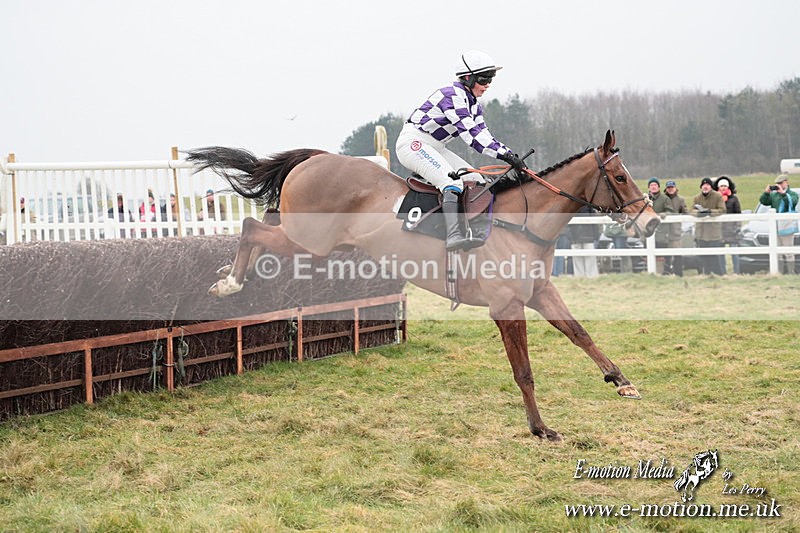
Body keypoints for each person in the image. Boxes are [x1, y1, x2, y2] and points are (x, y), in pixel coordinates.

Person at [396, 50, 527, 251]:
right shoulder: (453, 95)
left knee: (477, 180)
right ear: (467, 78)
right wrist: (506, 155)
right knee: (452, 182)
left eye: (491, 79)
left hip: (436, 146)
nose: (488, 84)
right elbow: (473, 137)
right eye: (483, 79)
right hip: (413, 144)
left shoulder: (474, 105)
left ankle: (475, 230)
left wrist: (510, 154)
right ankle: (453, 235)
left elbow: (484, 135)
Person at [759, 175, 799, 275]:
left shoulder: (793, 194)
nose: (779, 185)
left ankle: (791, 272)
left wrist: (783, 194)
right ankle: (779, 272)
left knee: (788, 251)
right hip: (775, 226)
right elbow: (764, 201)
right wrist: (766, 193)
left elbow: (792, 203)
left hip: (787, 226)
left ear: (786, 182)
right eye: (777, 184)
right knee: (777, 251)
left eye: (781, 183)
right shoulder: (774, 195)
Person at [691, 177, 725, 275]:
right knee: (703, 256)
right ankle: (706, 274)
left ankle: (718, 274)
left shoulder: (718, 196)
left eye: (707, 185)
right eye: (703, 185)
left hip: (713, 232)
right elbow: (691, 210)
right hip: (701, 232)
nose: (705, 187)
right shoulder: (697, 198)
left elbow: (722, 210)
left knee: (714, 255)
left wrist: (710, 212)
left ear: (711, 187)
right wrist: (698, 213)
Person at [654, 180, 688, 276]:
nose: (670, 189)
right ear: (666, 189)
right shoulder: (663, 199)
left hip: (675, 231)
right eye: (668, 188)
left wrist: (678, 217)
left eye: (672, 187)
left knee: (677, 254)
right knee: (666, 255)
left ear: (675, 188)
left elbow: (685, 212)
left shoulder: (680, 200)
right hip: (664, 232)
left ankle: (679, 274)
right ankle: (666, 273)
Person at [715, 176, 741, 274]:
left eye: (725, 186)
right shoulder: (715, 198)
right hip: (719, 230)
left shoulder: (734, 199)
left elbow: (738, 213)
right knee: (720, 254)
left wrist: (737, 226)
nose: (723, 188)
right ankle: (722, 273)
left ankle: (736, 272)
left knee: (734, 253)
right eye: (721, 186)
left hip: (731, 230)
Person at [568, 205, 600, 278]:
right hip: (576, 236)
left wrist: (595, 235)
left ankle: (591, 276)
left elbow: (594, 221)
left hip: (587, 236)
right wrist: (570, 236)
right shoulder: (571, 206)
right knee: (578, 258)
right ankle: (580, 277)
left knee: (590, 257)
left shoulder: (589, 206)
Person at [647, 177, 668, 274]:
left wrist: (664, 214)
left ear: (659, 187)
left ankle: (659, 274)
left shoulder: (664, 198)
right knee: (647, 255)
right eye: (651, 185)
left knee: (660, 255)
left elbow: (670, 211)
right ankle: (648, 274)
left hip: (661, 232)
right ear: (649, 188)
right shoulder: (645, 199)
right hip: (647, 232)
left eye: (655, 185)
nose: (653, 187)